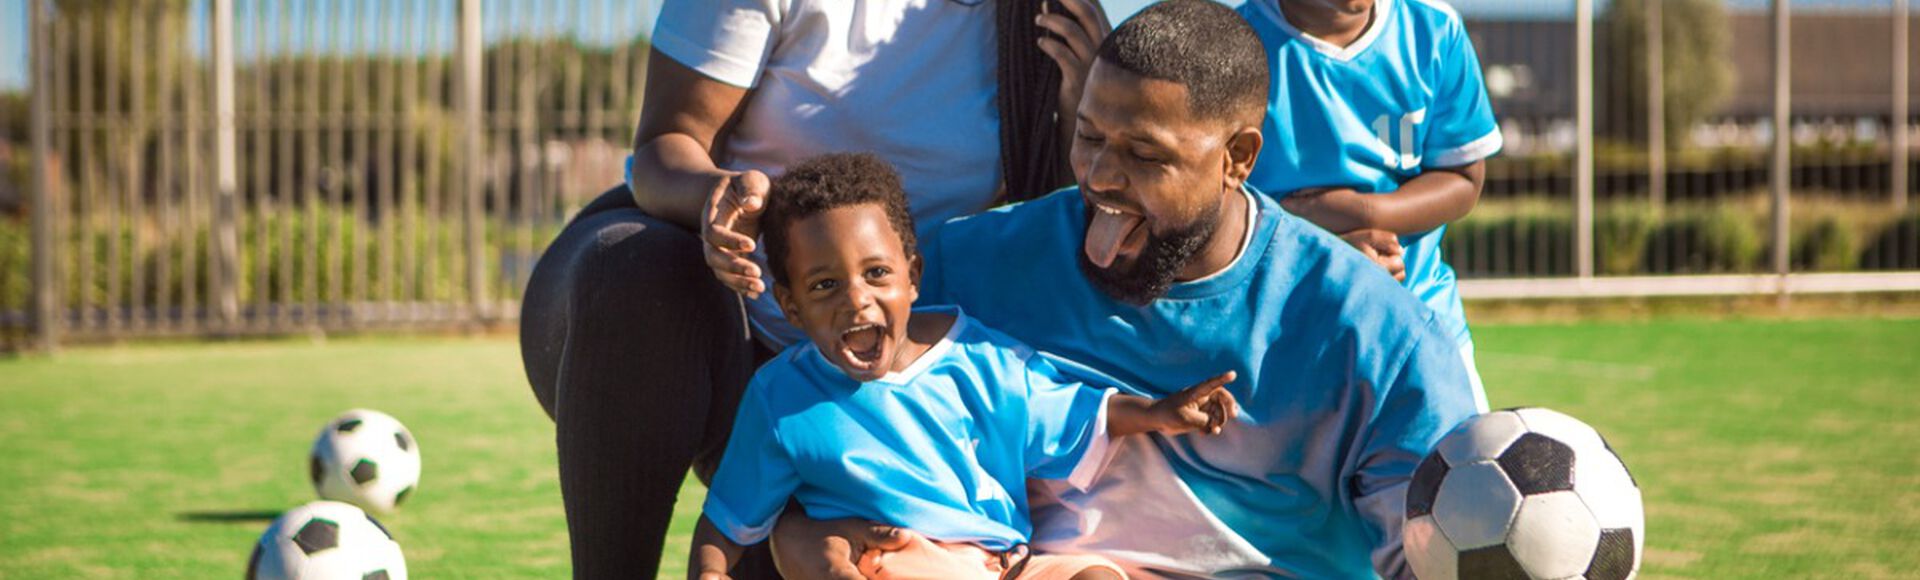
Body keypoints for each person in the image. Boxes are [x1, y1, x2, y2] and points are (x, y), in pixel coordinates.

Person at [769, 2, 1478, 577]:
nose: (1102, 177)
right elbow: (816, 421)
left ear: (1238, 158)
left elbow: (1436, 551)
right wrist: (800, 535)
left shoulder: (1374, 330)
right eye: (1089, 137)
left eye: (1145, 154)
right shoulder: (970, 266)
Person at [517, 0, 1112, 576]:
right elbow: (661, 148)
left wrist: (1082, 109)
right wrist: (715, 200)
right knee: (640, 272)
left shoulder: (1040, 17)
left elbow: (1047, 233)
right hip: (703, 320)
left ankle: (793, 511)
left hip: (865, 403)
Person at [688, 152, 1240, 580]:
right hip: (898, 557)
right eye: (825, 285)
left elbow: (1069, 411)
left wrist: (1162, 410)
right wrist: (711, 569)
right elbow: (729, 518)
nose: (856, 300)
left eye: (876, 274)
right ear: (791, 307)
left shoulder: (981, 357)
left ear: (913, 276)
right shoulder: (783, 397)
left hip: (1010, 563)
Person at [1237, 0, 1504, 412]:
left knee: (1461, 470)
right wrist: (1321, 252)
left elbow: (1463, 178)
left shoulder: (1433, 29)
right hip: (1279, 336)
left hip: (1419, 319)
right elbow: (1209, 204)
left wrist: (1365, 212)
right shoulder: (1232, 43)